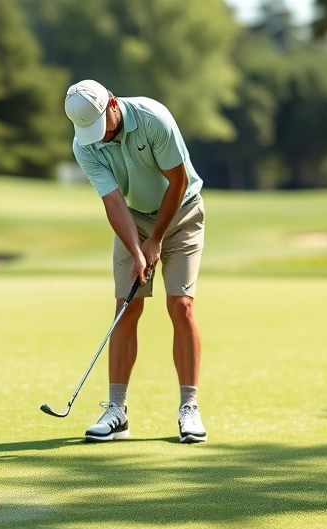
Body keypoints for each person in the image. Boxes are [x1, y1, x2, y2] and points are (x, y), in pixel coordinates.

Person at [64, 79, 207, 444]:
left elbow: (177, 182)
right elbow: (113, 202)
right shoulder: (85, 143)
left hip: (183, 212)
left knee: (182, 305)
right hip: (133, 219)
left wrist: (156, 240)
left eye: (103, 126)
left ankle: (189, 408)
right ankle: (117, 412)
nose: (100, 137)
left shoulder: (153, 118)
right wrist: (137, 249)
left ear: (112, 103)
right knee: (126, 309)